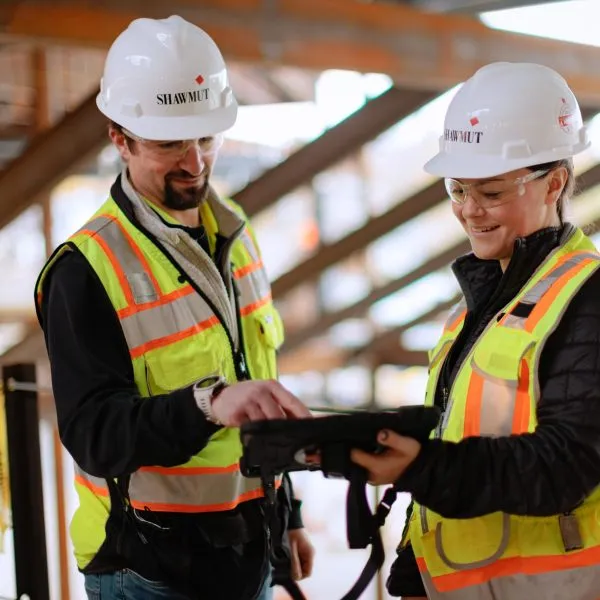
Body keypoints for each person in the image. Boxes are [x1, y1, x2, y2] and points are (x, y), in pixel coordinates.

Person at [34, 15, 314, 600]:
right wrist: (208, 404)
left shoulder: (237, 234)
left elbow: (258, 381)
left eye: (205, 138)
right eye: (168, 144)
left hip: (250, 551)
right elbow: (95, 434)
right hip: (147, 570)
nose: (195, 162)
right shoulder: (86, 270)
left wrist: (287, 515)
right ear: (120, 138)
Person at [351, 62, 600, 600]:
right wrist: (414, 563)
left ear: (554, 181)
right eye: (458, 189)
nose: (468, 212)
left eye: (489, 193)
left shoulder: (587, 298)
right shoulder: (484, 302)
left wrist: (426, 467)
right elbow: (462, 433)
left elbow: (568, 463)